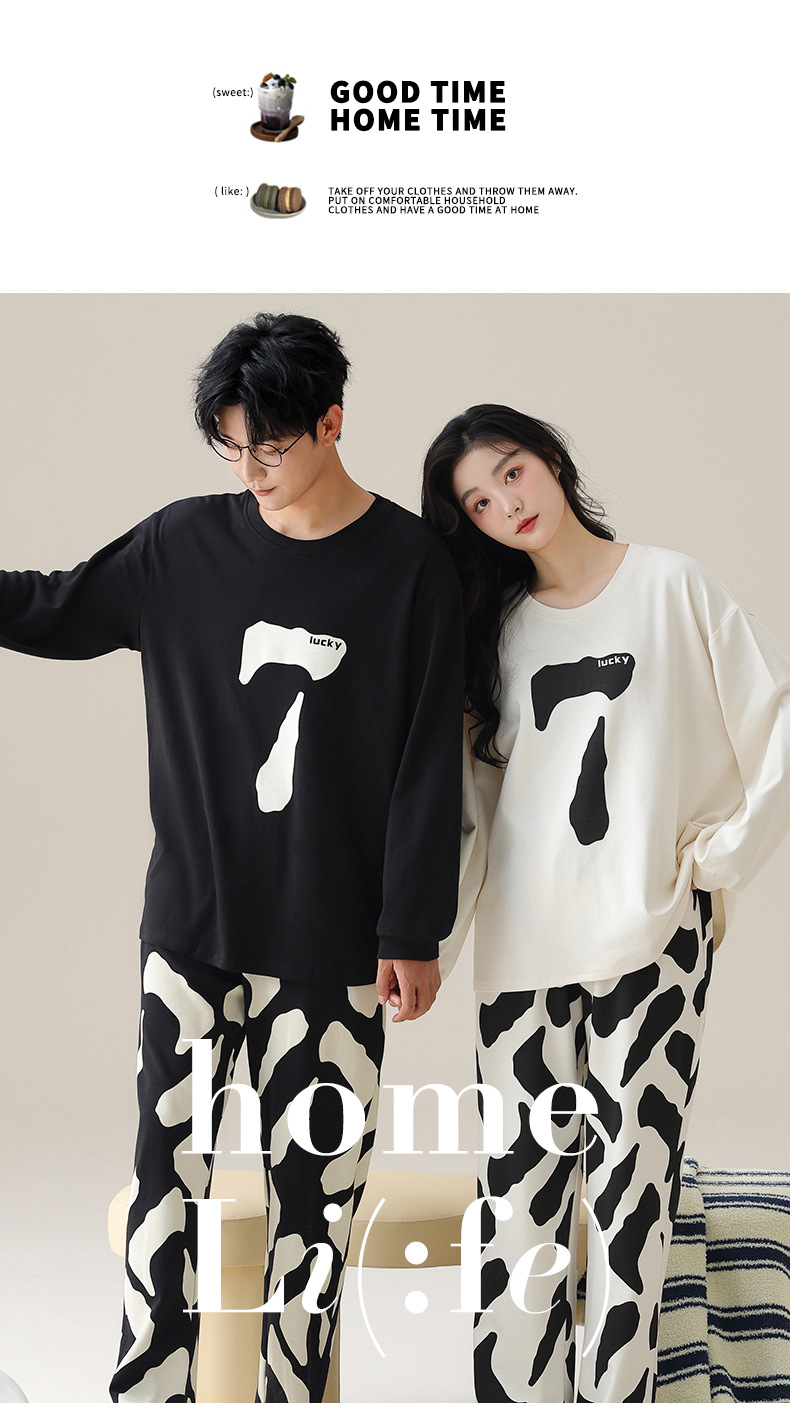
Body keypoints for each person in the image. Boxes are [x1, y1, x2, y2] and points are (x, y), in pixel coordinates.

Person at [0, 313, 465, 1403]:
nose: (248, 469)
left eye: (270, 446)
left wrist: (412, 929)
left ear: (332, 423)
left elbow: (426, 767)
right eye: (231, 446)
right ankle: (149, 1391)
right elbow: (54, 606)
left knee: (316, 1208)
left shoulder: (412, 569)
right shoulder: (180, 546)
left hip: (335, 948)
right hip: (193, 934)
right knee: (166, 1186)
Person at [422, 404, 790, 1404]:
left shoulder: (673, 585)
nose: (506, 504)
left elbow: (775, 717)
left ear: (550, 458)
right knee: (518, 1204)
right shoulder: (495, 631)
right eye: (478, 502)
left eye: (511, 472)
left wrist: (721, 858)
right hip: (523, 946)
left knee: (632, 1201)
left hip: (653, 933)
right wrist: (425, 945)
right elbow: (471, 809)